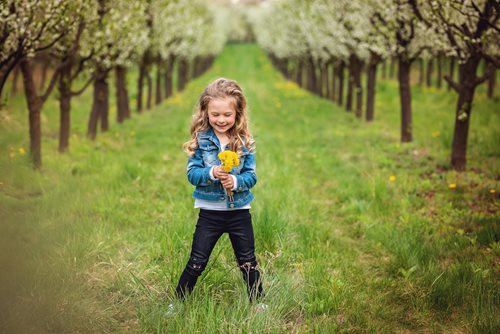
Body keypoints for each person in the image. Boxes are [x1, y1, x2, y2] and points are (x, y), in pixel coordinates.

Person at [174, 78, 264, 305]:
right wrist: (212, 172)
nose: (221, 120)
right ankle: (177, 302)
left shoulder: (245, 142)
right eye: (215, 114)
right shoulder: (201, 140)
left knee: (248, 261)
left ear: (237, 113)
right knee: (197, 260)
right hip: (210, 213)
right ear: (205, 112)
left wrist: (234, 181)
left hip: (239, 213)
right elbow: (192, 174)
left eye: (227, 115)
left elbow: (251, 176)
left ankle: (258, 303)